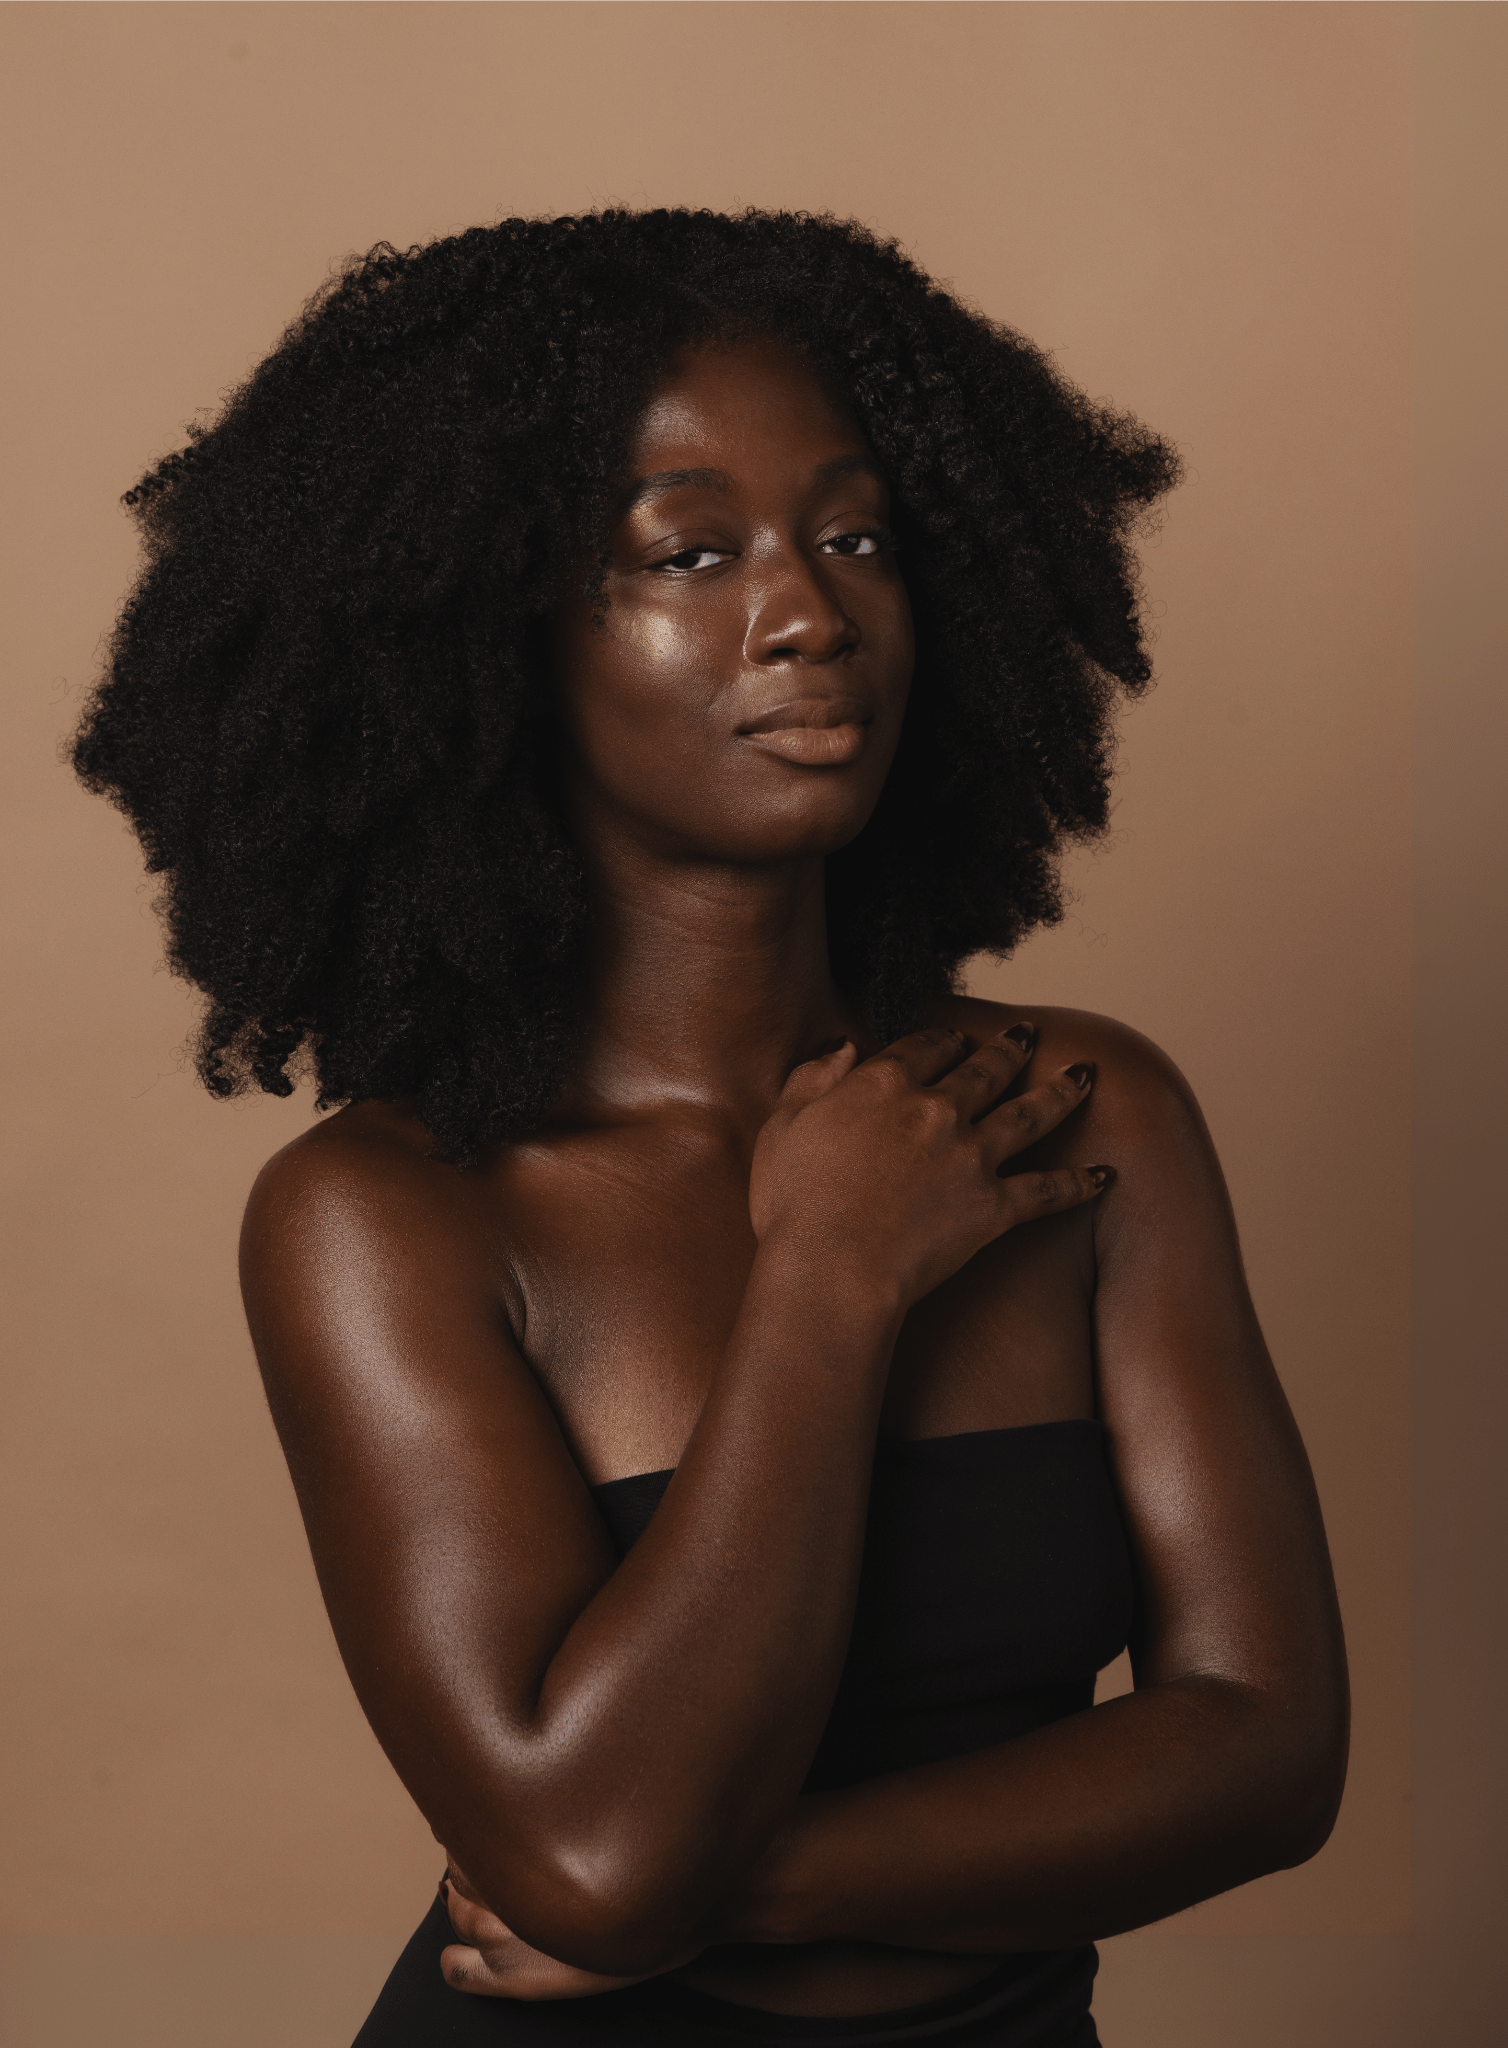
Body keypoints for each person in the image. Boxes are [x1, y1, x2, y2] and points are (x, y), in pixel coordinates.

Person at [72, 208, 1348, 2046]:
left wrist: (757, 1881)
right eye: (687, 551)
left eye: (854, 536)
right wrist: (830, 1270)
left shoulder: (1085, 1115)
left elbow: (1266, 1747)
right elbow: (586, 1847)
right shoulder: (389, 1216)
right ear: (490, 641)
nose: (809, 610)